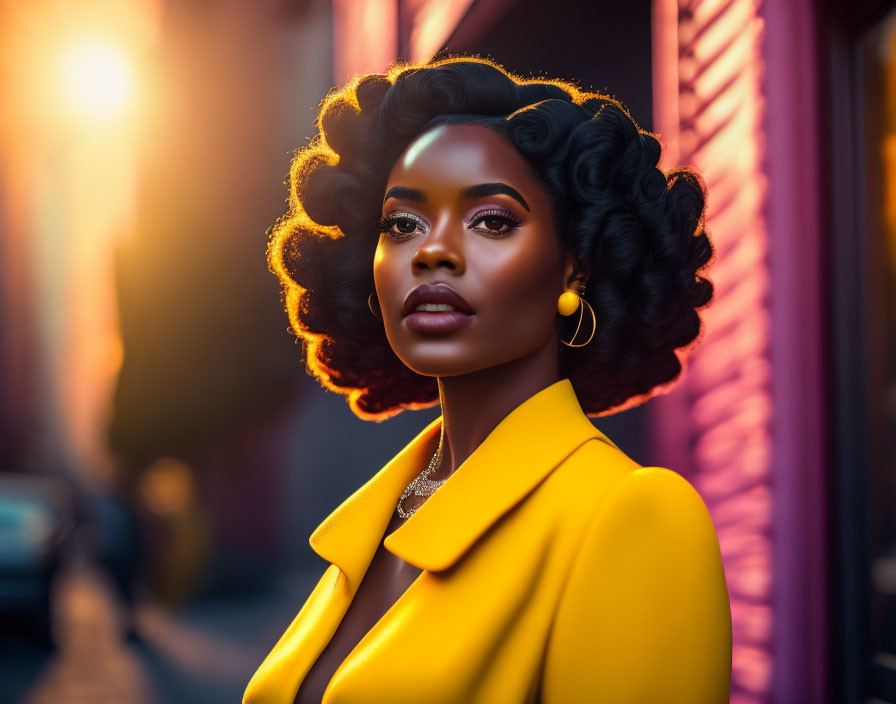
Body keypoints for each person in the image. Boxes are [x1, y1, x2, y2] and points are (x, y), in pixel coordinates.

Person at [243, 56, 732, 704]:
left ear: (575, 268)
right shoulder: (375, 522)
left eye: (493, 220)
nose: (432, 250)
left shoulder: (632, 519)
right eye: (402, 223)